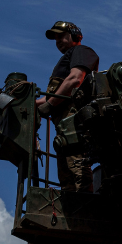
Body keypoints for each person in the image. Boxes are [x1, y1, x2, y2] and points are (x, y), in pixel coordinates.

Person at [37, 20, 100, 192]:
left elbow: (75, 80)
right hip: (64, 126)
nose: (57, 41)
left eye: (61, 36)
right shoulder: (65, 60)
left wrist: (49, 104)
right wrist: (31, 104)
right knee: (66, 177)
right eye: (55, 38)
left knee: (78, 168)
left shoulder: (81, 51)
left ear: (75, 36)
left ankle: (84, 208)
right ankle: (73, 207)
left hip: (74, 122)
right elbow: (52, 97)